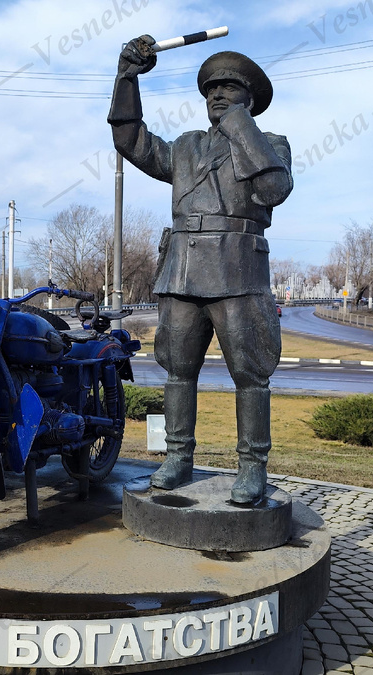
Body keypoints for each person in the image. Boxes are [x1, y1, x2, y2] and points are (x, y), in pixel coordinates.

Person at [108, 35, 292, 505]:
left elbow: (273, 189)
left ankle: (252, 466)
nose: (217, 95)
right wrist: (126, 76)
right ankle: (177, 457)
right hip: (183, 271)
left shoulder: (269, 144)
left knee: (251, 374)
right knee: (177, 370)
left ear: (250, 100)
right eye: (212, 90)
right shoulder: (186, 148)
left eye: (230, 89)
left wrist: (239, 127)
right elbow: (131, 139)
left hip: (237, 273)